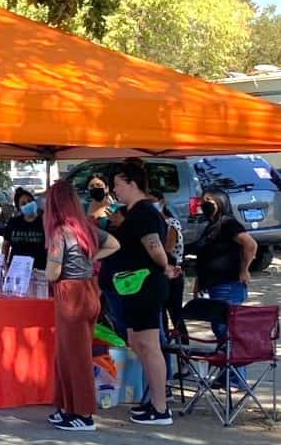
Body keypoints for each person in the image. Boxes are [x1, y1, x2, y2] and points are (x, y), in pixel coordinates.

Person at [44, 180, 119, 432]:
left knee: (74, 356)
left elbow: (53, 272)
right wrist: (89, 258)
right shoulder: (85, 227)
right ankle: (67, 406)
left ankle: (83, 414)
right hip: (88, 290)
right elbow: (114, 244)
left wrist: (49, 270)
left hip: (70, 292)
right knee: (71, 353)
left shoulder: (59, 232)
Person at [110, 160, 178, 426]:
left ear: (132, 183)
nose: (115, 190)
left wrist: (165, 266)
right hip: (130, 286)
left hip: (146, 286)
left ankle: (160, 407)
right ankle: (152, 401)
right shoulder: (132, 211)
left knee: (149, 345)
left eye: (117, 184)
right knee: (138, 343)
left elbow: (155, 247)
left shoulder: (144, 212)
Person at [193, 187, 257, 377]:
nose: (204, 204)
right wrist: (199, 281)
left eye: (209, 201)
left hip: (228, 284)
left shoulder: (228, 224)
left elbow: (250, 244)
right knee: (219, 328)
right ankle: (228, 375)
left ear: (220, 202)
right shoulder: (210, 226)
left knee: (227, 330)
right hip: (212, 284)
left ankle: (236, 377)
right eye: (203, 200)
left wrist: (244, 269)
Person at [152, 188, 187, 345]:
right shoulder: (152, 223)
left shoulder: (171, 223)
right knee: (162, 315)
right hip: (160, 274)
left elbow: (167, 249)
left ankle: (184, 350)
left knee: (175, 313)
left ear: (161, 202)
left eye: (153, 201)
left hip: (174, 273)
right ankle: (166, 345)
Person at [1, 187, 47, 271]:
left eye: (29, 201)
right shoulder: (14, 222)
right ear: (19, 208)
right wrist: (5, 264)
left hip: (39, 271)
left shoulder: (45, 222)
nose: (27, 204)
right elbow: (5, 244)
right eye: (23, 203)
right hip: (16, 270)